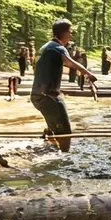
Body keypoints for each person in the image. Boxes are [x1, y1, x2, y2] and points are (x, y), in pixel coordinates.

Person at [31, 19, 97, 152]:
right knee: (66, 132)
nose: (71, 34)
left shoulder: (44, 48)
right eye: (69, 31)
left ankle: (49, 150)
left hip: (37, 96)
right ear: (63, 33)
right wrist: (88, 74)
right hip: (49, 97)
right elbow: (70, 63)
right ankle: (63, 158)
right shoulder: (58, 48)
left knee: (54, 126)